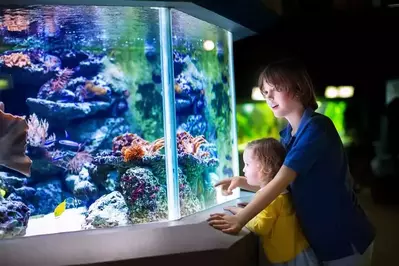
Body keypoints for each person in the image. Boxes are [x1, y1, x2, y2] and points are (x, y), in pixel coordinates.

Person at [207, 58, 375, 266]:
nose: (268, 96)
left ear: (298, 88)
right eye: (265, 91)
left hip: (344, 237)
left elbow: (280, 183)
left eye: (275, 88)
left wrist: (241, 219)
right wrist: (241, 182)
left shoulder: (316, 128)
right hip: (316, 238)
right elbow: (285, 185)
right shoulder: (288, 135)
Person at [224, 137, 319, 265]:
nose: (243, 169)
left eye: (247, 164)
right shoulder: (278, 192)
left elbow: (261, 227)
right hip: (295, 252)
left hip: (293, 258)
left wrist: (240, 212)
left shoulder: (273, 198)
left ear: (265, 169)